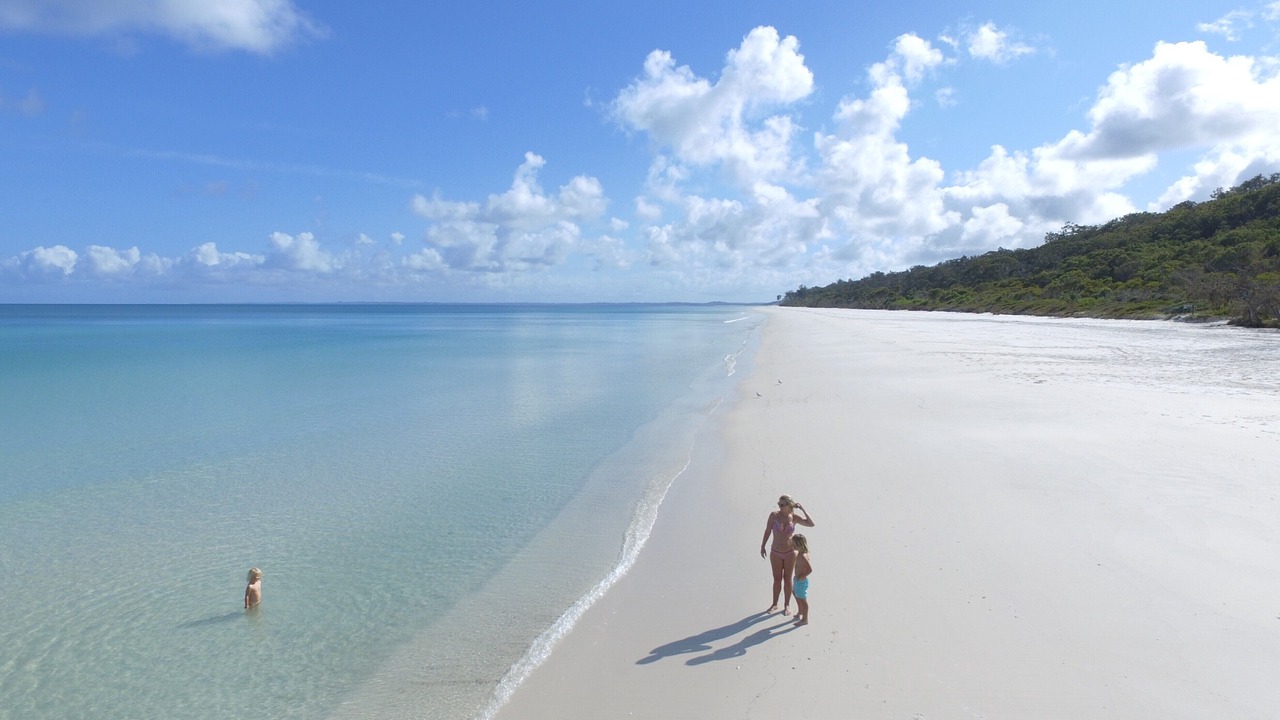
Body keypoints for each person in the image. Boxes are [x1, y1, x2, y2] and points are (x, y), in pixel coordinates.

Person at [759, 494, 814, 615]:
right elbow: (768, 530)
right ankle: (774, 604)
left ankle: (787, 605)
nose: (779, 506)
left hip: (790, 553)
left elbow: (811, 524)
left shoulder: (794, 517)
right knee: (777, 579)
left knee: (788, 579)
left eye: (782, 504)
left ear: (789, 505)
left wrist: (803, 509)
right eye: (778, 504)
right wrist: (763, 545)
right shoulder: (774, 515)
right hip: (776, 552)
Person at [791, 534, 812, 625]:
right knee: (795, 593)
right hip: (797, 579)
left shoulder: (803, 556)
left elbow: (810, 569)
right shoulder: (799, 554)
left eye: (794, 544)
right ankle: (800, 611)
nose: (792, 545)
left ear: (799, 545)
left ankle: (805, 619)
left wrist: (801, 577)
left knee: (802, 599)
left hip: (801, 581)